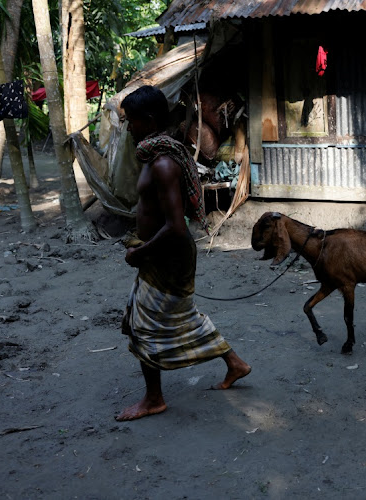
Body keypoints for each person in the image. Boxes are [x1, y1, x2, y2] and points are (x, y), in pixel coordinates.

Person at [115, 85, 251, 422]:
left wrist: (141, 251)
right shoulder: (154, 154)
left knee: (143, 326)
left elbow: (177, 226)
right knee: (175, 316)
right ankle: (235, 363)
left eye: (131, 121)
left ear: (148, 120)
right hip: (159, 254)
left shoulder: (162, 163)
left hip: (167, 256)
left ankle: (154, 399)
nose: (128, 128)